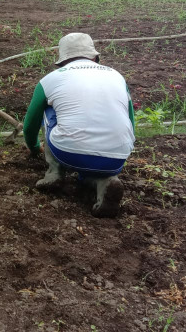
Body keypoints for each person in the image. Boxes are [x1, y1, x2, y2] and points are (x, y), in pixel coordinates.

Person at [23, 33, 136, 217]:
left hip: (68, 153)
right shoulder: (117, 76)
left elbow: (30, 125)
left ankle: (54, 172)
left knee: (49, 109)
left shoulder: (50, 80)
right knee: (96, 167)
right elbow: (130, 120)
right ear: (95, 57)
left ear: (62, 60)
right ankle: (105, 181)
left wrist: (35, 148)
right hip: (117, 156)